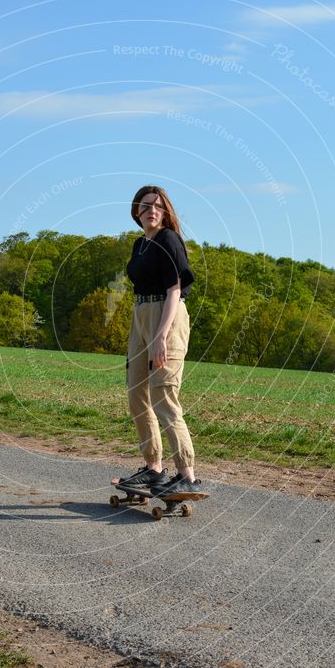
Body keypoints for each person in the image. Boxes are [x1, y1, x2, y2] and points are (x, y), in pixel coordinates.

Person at [119, 185, 201, 494]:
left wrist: (161, 336)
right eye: (145, 206)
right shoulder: (139, 244)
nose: (151, 210)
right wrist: (144, 331)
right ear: (136, 212)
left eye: (157, 205)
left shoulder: (169, 239)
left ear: (165, 212)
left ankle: (186, 475)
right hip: (140, 314)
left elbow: (175, 289)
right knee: (136, 393)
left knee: (163, 394)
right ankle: (154, 468)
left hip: (166, 315)